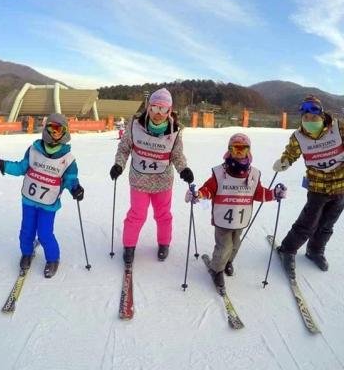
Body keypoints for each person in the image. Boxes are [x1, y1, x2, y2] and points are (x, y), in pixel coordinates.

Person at [185, 133, 287, 292]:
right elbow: (208, 189)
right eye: (235, 149)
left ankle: (228, 261)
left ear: (249, 151)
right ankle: (217, 269)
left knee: (235, 244)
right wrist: (198, 194)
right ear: (229, 150)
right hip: (222, 218)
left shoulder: (253, 174)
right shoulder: (219, 172)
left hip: (240, 218)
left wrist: (274, 194)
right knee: (224, 246)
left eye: (243, 149)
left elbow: (258, 193)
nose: (239, 153)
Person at [0, 113, 84, 278]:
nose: (54, 133)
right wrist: (3, 165)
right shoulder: (33, 150)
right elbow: (21, 167)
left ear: (65, 132)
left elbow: (70, 179)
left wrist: (75, 188)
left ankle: (53, 259)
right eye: (51, 129)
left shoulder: (68, 159)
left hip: (49, 204)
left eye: (58, 130)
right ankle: (27, 253)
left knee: (45, 233)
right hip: (29, 201)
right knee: (26, 231)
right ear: (45, 130)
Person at [109, 87, 194, 264]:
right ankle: (129, 246)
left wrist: (183, 169)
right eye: (155, 107)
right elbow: (124, 148)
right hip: (139, 181)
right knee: (136, 214)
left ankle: (164, 244)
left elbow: (176, 155)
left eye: (163, 109)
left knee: (163, 215)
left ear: (169, 110)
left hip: (162, 182)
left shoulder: (174, 131)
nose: (158, 113)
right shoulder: (135, 125)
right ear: (149, 107)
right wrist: (119, 164)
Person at [272, 95, 344, 279]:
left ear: (321, 115)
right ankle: (287, 250)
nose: (309, 121)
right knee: (308, 223)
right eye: (305, 118)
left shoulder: (339, 128)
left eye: (313, 117)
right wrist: (285, 161)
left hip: (341, 187)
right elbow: (291, 153)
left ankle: (315, 251)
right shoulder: (298, 137)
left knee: (327, 224)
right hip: (317, 188)